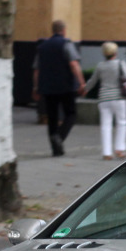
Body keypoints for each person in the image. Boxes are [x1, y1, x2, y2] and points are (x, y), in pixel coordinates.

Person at [33, 20, 86, 157]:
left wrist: (36, 87)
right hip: (66, 86)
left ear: (53, 30)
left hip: (48, 88)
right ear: (64, 30)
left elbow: (37, 70)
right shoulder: (66, 44)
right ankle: (59, 138)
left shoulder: (42, 46)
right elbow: (74, 64)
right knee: (71, 114)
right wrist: (81, 82)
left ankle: (55, 148)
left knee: (52, 117)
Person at [84, 42, 126, 161]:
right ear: (115, 53)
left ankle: (107, 152)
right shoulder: (120, 63)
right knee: (122, 123)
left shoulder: (100, 66)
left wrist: (85, 89)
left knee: (106, 125)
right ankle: (119, 149)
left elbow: (93, 81)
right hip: (119, 98)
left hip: (104, 98)